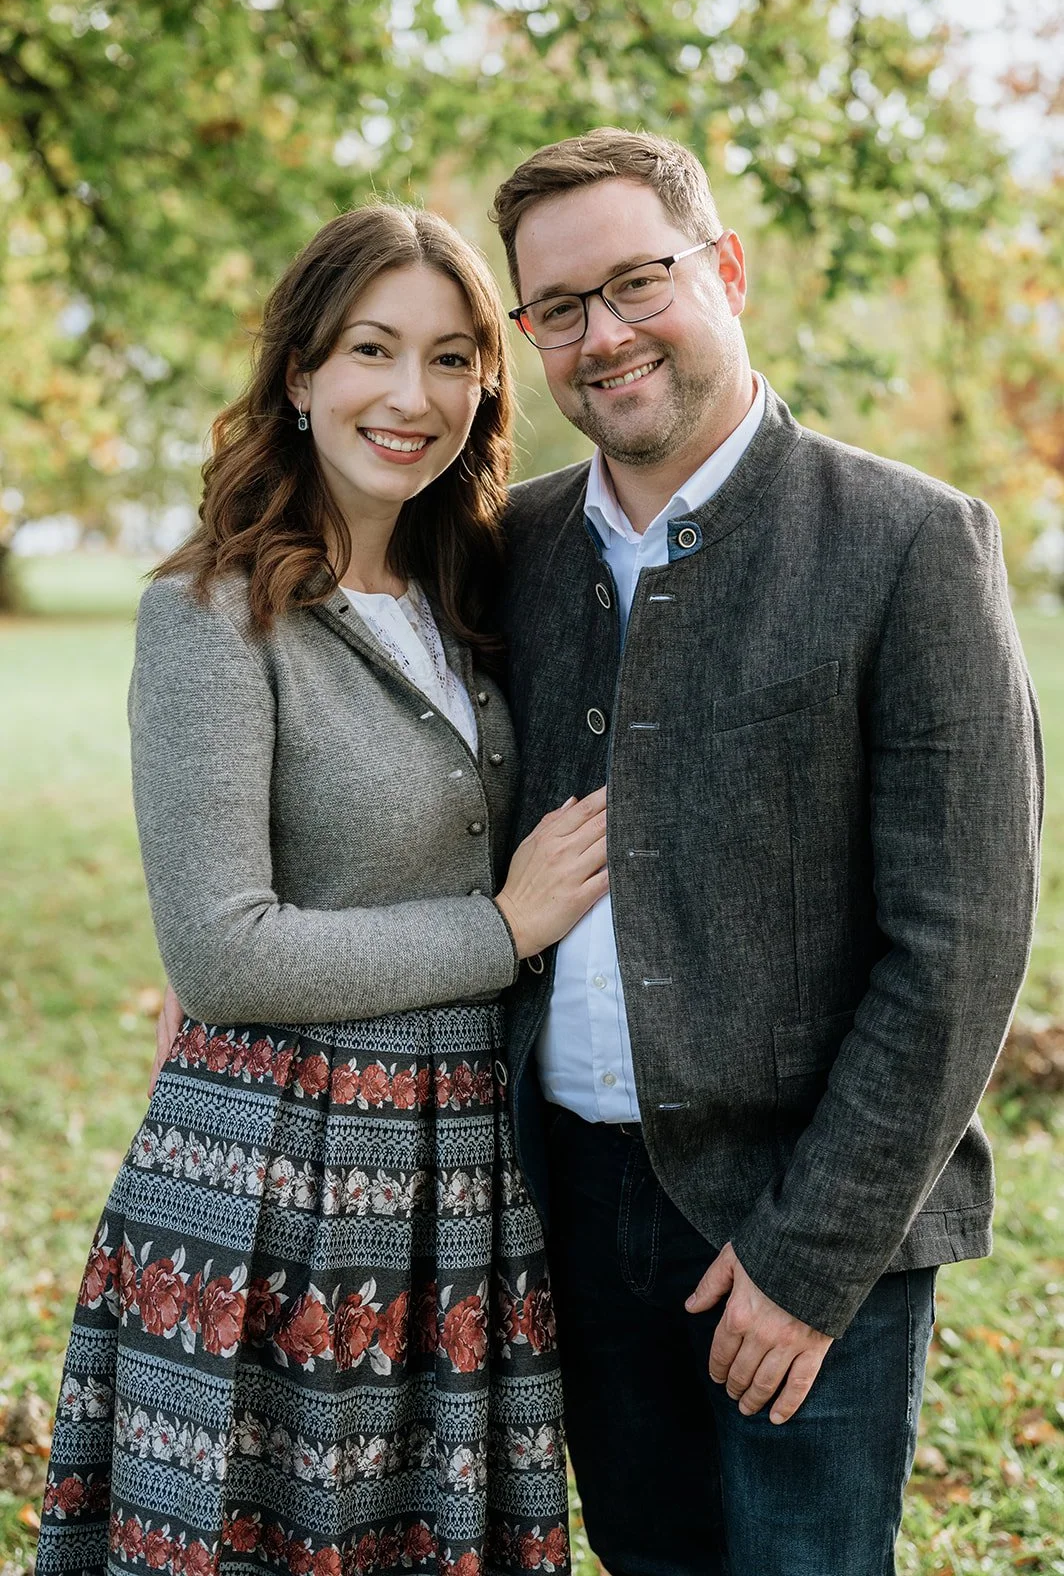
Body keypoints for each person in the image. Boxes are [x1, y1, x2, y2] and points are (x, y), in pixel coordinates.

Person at [487, 129, 1043, 1575]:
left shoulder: (911, 544)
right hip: (574, 1211)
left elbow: (962, 945)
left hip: (812, 1224)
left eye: (637, 281)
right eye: (558, 307)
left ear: (724, 268)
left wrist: (807, 1262)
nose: (603, 336)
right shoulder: (511, 550)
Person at [36, 203, 610, 1576]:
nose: (413, 397)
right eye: (371, 349)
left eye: (454, 358)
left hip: (464, 1171)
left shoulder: (469, 591)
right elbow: (223, 952)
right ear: (298, 373)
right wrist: (503, 929)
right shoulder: (212, 614)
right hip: (276, 1180)